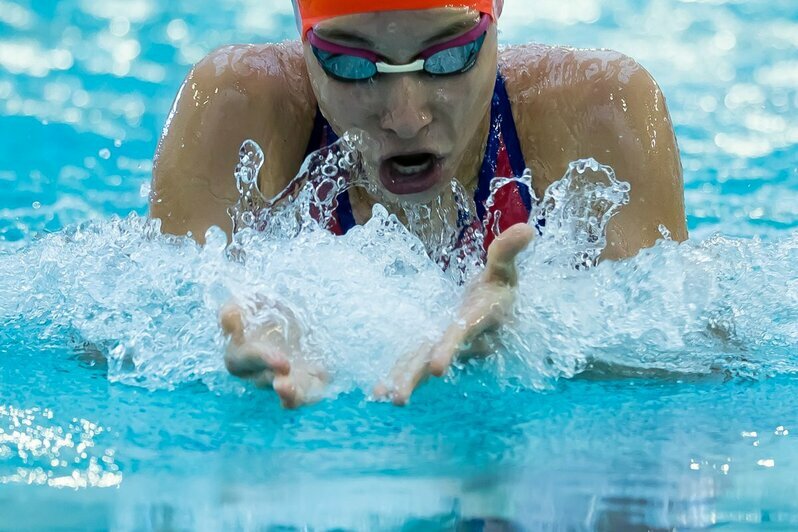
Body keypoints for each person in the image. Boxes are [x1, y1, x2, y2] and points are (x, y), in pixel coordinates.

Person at [150, 0, 688, 408]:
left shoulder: (598, 110)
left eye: (450, 55)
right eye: (352, 65)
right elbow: (128, 334)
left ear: (497, 17)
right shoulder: (235, 108)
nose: (406, 118)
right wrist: (224, 339)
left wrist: (533, 331)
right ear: (303, 42)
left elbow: (684, 362)